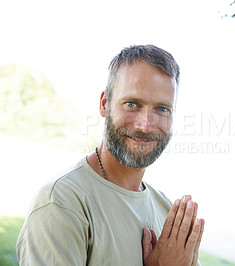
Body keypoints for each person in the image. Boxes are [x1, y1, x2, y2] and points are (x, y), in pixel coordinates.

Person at [16, 44, 205, 266]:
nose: (145, 125)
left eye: (162, 109)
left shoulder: (168, 213)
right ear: (105, 104)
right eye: (132, 104)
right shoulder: (62, 202)